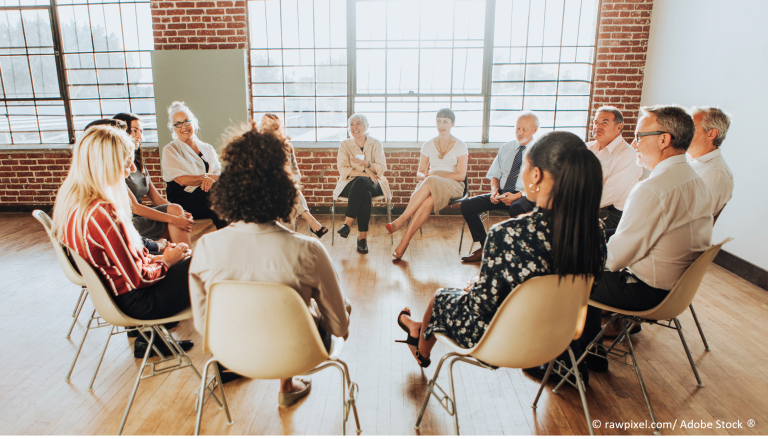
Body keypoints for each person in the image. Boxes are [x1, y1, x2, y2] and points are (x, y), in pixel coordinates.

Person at [395, 132, 607, 376]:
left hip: (506, 342)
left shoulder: (508, 233)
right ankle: (417, 328)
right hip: (559, 339)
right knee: (461, 295)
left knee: (441, 297)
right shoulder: (595, 231)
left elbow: (481, 305)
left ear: (536, 175)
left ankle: (420, 348)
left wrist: (475, 287)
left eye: (526, 167)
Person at [189, 123, 351, 406]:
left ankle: (279, 378)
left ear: (228, 188)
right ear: (284, 189)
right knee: (326, 305)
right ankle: (286, 385)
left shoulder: (205, 248)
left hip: (231, 354)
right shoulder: (309, 251)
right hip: (299, 353)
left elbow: (205, 326)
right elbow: (338, 328)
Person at [577, 105, 713, 371]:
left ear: (664, 140)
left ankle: (572, 363)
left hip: (647, 292)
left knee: (569, 275)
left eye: (640, 136)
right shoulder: (695, 181)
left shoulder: (652, 188)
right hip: (676, 292)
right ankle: (591, 354)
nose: (634, 143)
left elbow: (614, 259)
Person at [52, 125, 194, 358]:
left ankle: (151, 339)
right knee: (208, 263)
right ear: (106, 163)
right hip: (138, 302)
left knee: (192, 260)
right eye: (126, 161)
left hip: (120, 295)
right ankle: (230, 355)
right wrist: (167, 261)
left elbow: (123, 261)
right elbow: (137, 278)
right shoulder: (103, 213)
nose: (131, 168)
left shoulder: (75, 202)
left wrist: (159, 255)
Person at [386, 109, 467, 259]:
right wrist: (427, 176)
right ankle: (404, 243)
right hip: (431, 182)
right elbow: (420, 173)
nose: (441, 125)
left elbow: (461, 175)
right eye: (438, 120)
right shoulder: (428, 145)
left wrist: (436, 177)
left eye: (445, 121)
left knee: (431, 180)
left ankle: (402, 219)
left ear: (452, 124)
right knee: (428, 200)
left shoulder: (460, 146)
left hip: (453, 184)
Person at [459, 111, 540, 263]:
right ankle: (486, 248)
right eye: (517, 128)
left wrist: (517, 196)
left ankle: (515, 252)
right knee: (467, 204)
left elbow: (539, 184)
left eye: (524, 129)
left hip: (525, 195)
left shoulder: (541, 151)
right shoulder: (506, 147)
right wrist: (494, 191)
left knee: (516, 208)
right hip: (502, 192)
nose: (519, 132)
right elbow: (495, 175)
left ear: (535, 130)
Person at [83, 118, 169, 254]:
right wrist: (164, 259)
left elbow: (125, 240)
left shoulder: (96, 195)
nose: (133, 169)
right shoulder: (102, 209)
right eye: (132, 132)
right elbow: (133, 267)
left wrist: (158, 250)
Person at [113, 112, 193, 247]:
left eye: (141, 131)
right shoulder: (115, 167)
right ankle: (187, 261)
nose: (140, 136)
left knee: (176, 211)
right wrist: (175, 219)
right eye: (134, 131)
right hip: (127, 221)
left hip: (140, 216)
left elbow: (157, 200)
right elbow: (136, 208)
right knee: (176, 222)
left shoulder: (139, 164)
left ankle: (182, 260)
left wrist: (180, 214)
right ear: (122, 133)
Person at [161, 101, 228, 229]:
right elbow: (181, 180)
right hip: (184, 198)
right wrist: (206, 178)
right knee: (217, 197)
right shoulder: (170, 149)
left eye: (187, 121)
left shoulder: (207, 147)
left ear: (193, 122)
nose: (184, 127)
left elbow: (218, 173)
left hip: (207, 193)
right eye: (178, 124)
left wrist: (209, 179)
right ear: (173, 128)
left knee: (221, 200)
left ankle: (231, 236)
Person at [260, 113, 328, 239]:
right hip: (265, 188)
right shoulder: (258, 147)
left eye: (273, 126)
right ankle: (311, 221)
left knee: (289, 198)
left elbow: (296, 171)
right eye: (266, 125)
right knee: (288, 191)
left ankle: (287, 238)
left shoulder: (287, 146)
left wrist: (291, 181)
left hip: (285, 187)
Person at [333, 113, 392, 254]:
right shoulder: (345, 145)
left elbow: (382, 169)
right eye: (351, 124)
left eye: (358, 123)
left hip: (375, 183)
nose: (354, 127)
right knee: (364, 192)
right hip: (349, 184)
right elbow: (343, 170)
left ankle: (347, 223)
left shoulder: (376, 143)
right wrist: (365, 174)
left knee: (363, 185)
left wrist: (367, 164)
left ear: (366, 126)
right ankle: (363, 239)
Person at [587, 106, 643, 229]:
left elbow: (609, 194)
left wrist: (574, 207)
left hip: (610, 213)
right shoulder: (587, 148)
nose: (598, 126)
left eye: (604, 123)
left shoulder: (627, 155)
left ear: (619, 127)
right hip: (586, 205)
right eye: (596, 122)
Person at [686, 106, 733, 220]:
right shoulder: (691, 160)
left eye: (690, 128)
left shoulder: (714, 174)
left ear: (711, 134)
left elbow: (687, 221)